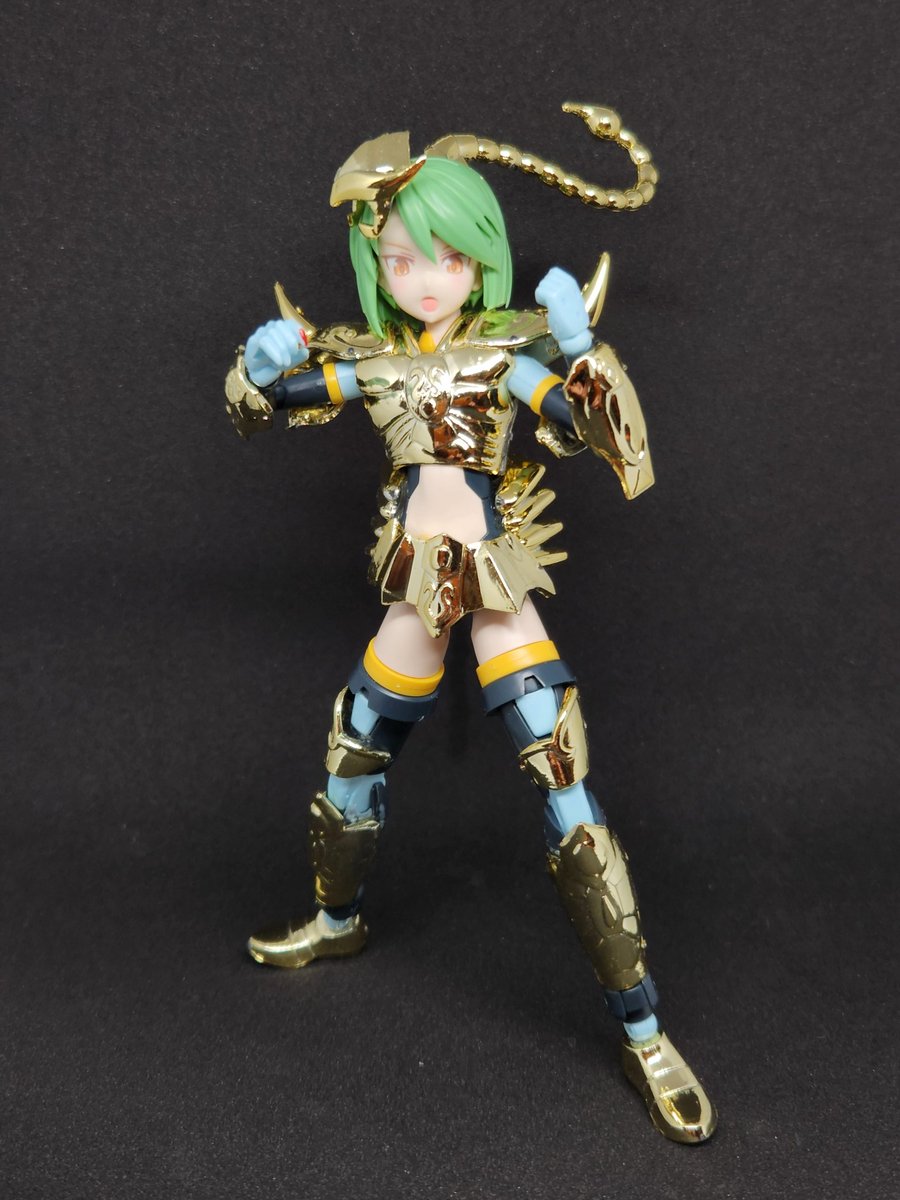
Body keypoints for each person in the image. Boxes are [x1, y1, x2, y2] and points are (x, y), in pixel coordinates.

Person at [225, 104, 716, 1144]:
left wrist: (583, 354)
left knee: (562, 781)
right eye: (404, 259)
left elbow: (608, 440)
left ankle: (643, 1029)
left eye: (449, 257)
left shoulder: (503, 355)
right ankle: (338, 919)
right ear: (376, 264)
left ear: (480, 261)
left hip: (492, 583)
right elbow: (268, 404)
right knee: (353, 750)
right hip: (415, 586)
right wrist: (255, 367)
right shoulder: (375, 359)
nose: (427, 278)